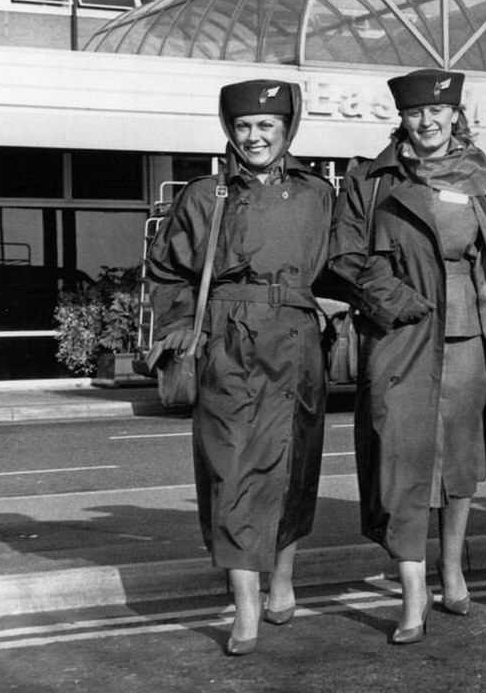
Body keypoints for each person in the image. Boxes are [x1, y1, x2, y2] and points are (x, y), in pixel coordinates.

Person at [327, 68, 486, 645]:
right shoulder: (369, 178)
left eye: (438, 112)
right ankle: (413, 595)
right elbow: (345, 255)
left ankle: (452, 569)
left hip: (466, 333)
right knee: (401, 457)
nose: (428, 122)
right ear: (403, 117)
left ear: (454, 115)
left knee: (461, 459)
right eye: (417, 113)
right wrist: (400, 301)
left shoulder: (482, 177)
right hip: (398, 330)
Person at [146, 79, 334, 656]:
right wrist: (183, 327)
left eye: (266, 126)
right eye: (244, 126)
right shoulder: (206, 195)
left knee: (292, 463)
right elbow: (167, 271)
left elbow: (342, 264)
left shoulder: (317, 194)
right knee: (230, 469)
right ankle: (246, 606)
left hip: (297, 342)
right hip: (226, 340)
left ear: (287, 129)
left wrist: (332, 307)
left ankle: (282, 582)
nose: (255, 137)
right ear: (230, 130)